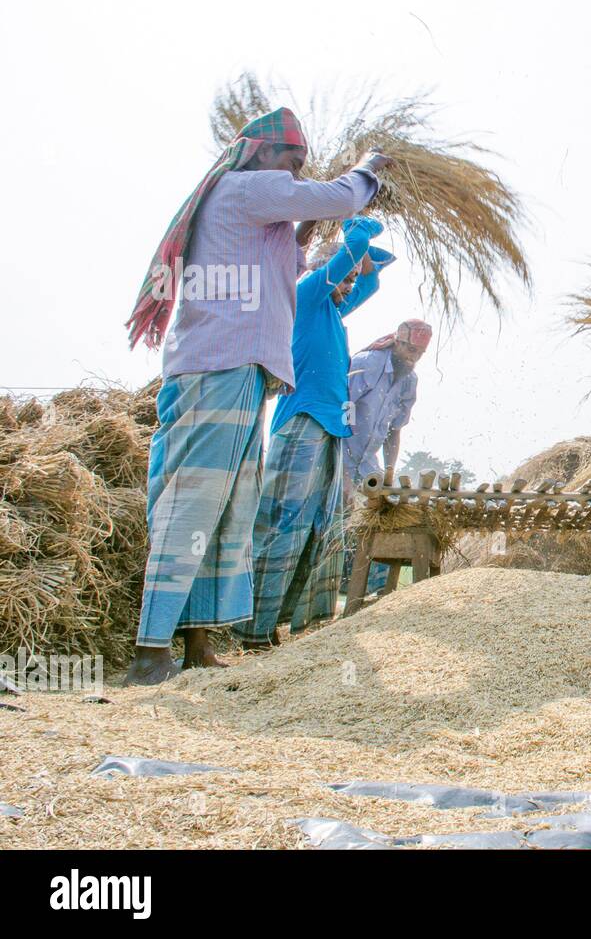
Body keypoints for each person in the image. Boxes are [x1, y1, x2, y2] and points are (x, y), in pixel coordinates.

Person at [122, 107, 390, 686]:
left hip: (241, 371)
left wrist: (310, 228)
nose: (295, 176)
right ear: (262, 154)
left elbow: (288, 258)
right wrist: (369, 169)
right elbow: (342, 197)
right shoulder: (244, 187)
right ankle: (149, 653)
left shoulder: (252, 212)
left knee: (228, 510)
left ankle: (195, 646)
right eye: (293, 163)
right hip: (215, 365)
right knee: (193, 501)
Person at [233, 218, 396, 649]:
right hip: (301, 420)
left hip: (329, 428)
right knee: (283, 521)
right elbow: (351, 252)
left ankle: (289, 622)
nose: (347, 287)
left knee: (318, 526)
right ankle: (251, 626)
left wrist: (366, 259)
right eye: (340, 279)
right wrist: (355, 223)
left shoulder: (332, 312)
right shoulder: (304, 296)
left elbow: (371, 282)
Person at [341, 319, 432, 485]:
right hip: (339, 458)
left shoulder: (409, 381)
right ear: (398, 343)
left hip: (367, 466)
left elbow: (394, 431)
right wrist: (343, 474)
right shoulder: (367, 363)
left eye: (420, 353)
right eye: (411, 350)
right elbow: (343, 411)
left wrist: (389, 471)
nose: (414, 358)